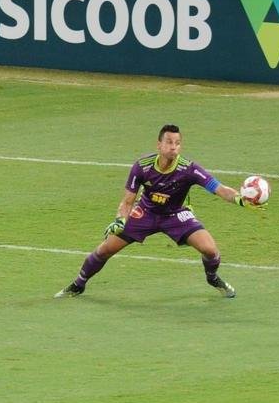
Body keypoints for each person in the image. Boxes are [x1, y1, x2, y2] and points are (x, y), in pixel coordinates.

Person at [55, 124, 261, 299]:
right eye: (169, 142)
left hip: (177, 215)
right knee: (104, 249)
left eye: (177, 143)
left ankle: (212, 277)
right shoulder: (142, 167)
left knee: (210, 250)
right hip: (145, 213)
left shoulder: (189, 169)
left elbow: (219, 189)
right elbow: (127, 201)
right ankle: (78, 284)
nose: (174, 147)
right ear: (159, 145)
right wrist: (120, 220)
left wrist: (240, 200)